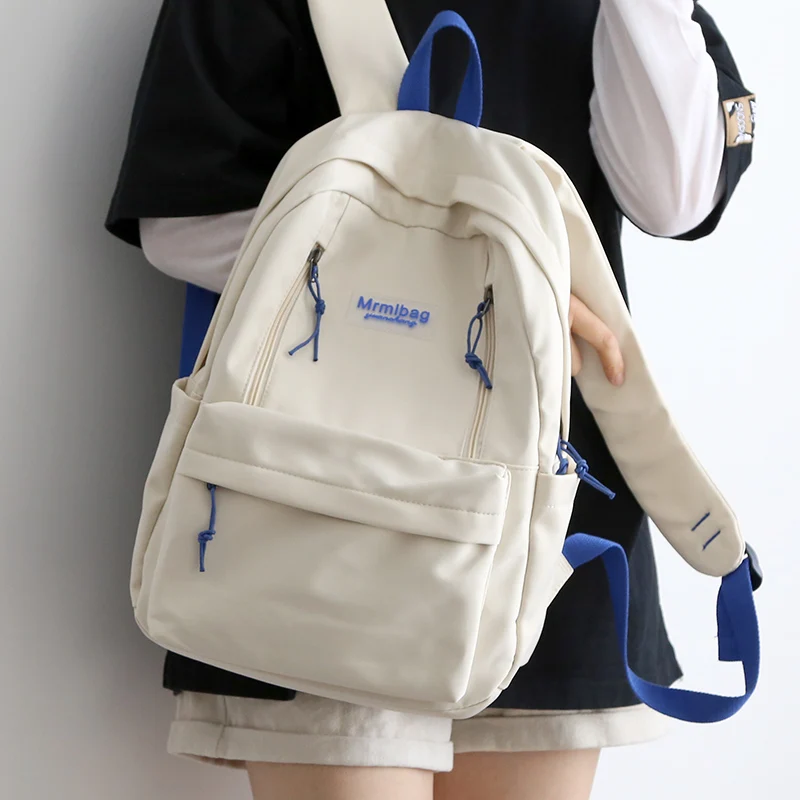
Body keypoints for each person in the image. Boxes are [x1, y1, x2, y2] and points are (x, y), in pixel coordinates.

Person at [106, 1, 755, 798]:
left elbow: (675, 198)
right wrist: (485, 283)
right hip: (325, 495)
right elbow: (183, 216)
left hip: (546, 513)